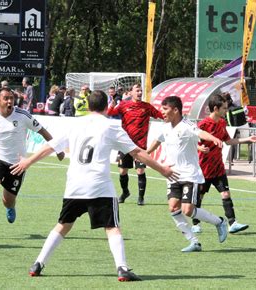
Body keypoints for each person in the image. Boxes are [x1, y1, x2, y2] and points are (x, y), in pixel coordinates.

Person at [10, 90, 178, 281]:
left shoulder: (74, 124)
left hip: (75, 184)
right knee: (112, 226)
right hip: (99, 185)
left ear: (88, 106)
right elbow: (137, 153)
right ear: (107, 106)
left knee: (63, 225)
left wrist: (27, 162)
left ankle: (38, 263)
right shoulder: (111, 127)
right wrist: (162, 169)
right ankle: (122, 268)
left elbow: (50, 147)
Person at [0, 87, 64, 240]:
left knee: (7, 200)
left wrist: (58, 149)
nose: (10, 101)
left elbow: (42, 131)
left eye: (11, 98)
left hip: (18, 164)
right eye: (6, 98)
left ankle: (10, 207)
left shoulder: (23, 115)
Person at [148, 96, 228, 252]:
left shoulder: (186, 125)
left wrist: (214, 139)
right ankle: (194, 242)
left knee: (187, 210)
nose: (162, 112)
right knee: (173, 208)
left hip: (190, 175)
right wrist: (145, 153)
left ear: (176, 110)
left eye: (165, 109)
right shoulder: (165, 127)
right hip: (172, 174)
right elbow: (157, 141)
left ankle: (219, 221)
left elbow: (200, 133)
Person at [191, 94, 256, 234]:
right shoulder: (203, 124)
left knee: (225, 193)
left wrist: (248, 139)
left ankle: (232, 223)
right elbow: (190, 142)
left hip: (218, 168)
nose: (226, 111)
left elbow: (228, 141)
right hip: (203, 169)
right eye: (224, 108)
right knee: (200, 196)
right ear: (215, 109)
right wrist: (199, 148)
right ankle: (196, 224)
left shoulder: (222, 123)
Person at [107, 84, 163, 205]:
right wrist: (111, 106)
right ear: (130, 92)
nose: (139, 93)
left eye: (140, 91)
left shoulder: (146, 107)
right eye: (137, 90)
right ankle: (125, 192)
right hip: (125, 144)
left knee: (140, 170)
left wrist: (172, 115)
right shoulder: (123, 105)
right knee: (122, 171)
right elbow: (110, 113)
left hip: (140, 145)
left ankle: (141, 197)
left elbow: (160, 115)